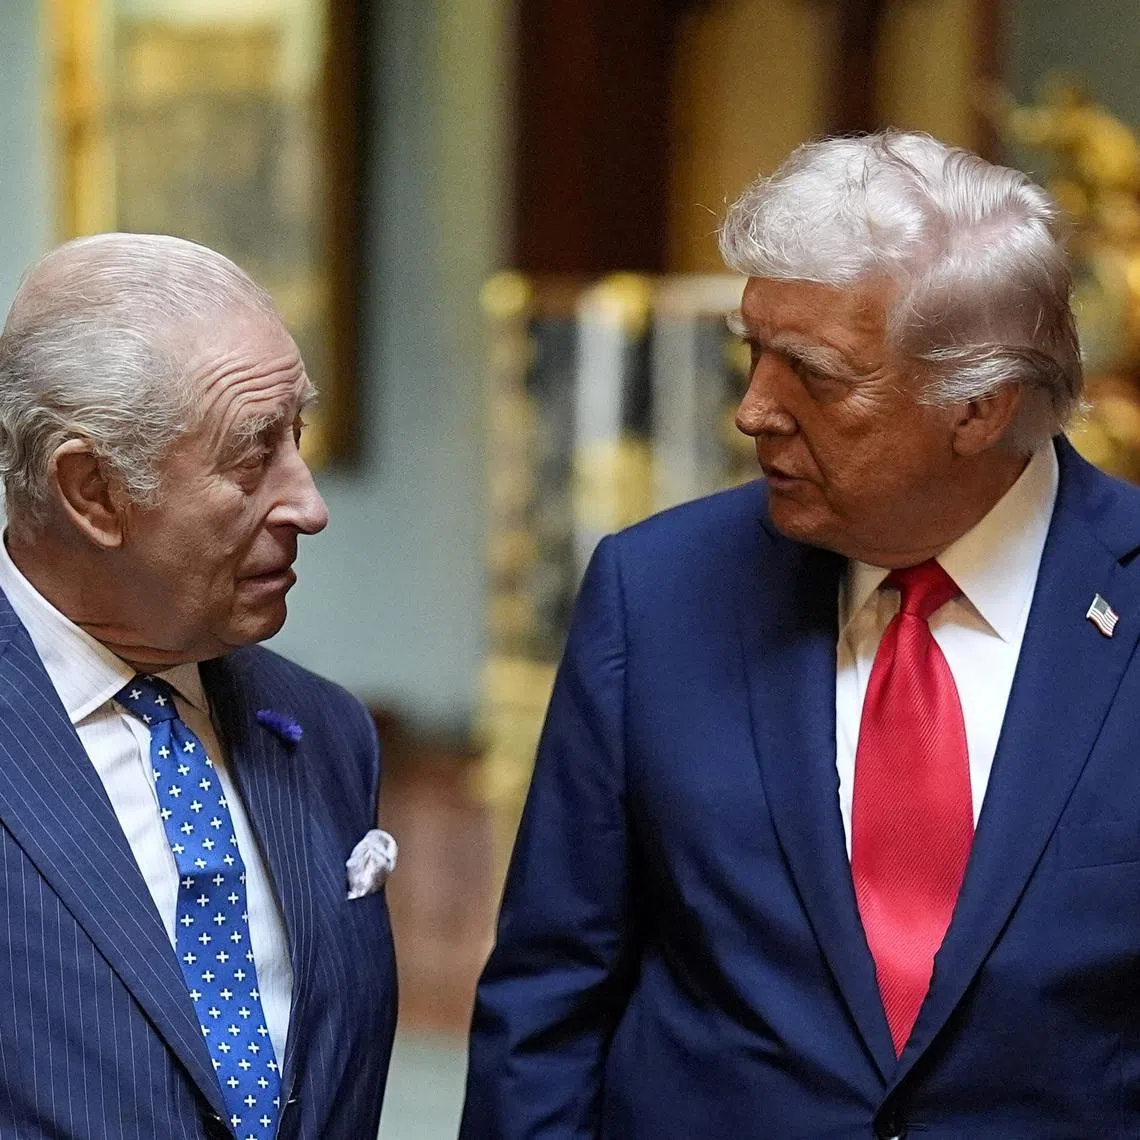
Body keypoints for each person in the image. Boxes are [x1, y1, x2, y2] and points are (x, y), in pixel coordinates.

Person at [460, 130, 1139, 1138]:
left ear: (978, 407)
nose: (753, 411)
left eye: (813, 376)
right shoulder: (656, 593)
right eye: (753, 352)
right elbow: (547, 1004)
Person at [0, 233, 396, 1140]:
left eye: (296, 436)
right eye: (251, 459)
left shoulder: (325, 731)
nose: (309, 506)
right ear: (92, 491)